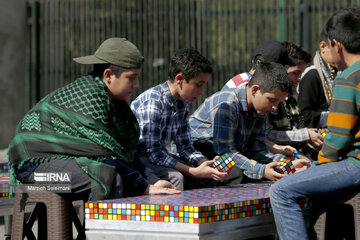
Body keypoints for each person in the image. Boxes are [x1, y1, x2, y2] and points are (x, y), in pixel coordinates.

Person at [8, 37, 179, 201]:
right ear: (108, 75)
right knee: (108, 178)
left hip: (64, 160)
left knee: (118, 174)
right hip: (32, 166)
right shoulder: (89, 98)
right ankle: (100, 232)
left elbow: (123, 151)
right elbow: (107, 153)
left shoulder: (115, 103)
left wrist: (153, 180)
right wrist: (145, 186)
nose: (137, 85)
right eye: (131, 78)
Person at [270, 7, 360, 239]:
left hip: (356, 165)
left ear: (336, 45)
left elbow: (337, 138)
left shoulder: (349, 78)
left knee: (281, 192)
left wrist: (319, 165)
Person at [189, 61, 311, 184]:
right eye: (272, 100)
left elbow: (258, 150)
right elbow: (226, 152)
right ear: (255, 90)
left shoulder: (260, 110)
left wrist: (287, 164)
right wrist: (262, 171)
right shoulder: (227, 104)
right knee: (235, 174)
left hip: (228, 155)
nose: (274, 107)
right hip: (199, 154)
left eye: (278, 102)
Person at [130, 48, 228, 191]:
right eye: (198, 85)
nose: (201, 92)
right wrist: (192, 171)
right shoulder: (154, 101)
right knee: (176, 177)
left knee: (206, 177)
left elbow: (185, 147)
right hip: (140, 159)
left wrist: (205, 164)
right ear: (179, 79)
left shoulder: (181, 104)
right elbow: (151, 151)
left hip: (159, 157)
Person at [265, 42, 322, 159]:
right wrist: (304, 135)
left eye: (300, 74)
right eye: (295, 73)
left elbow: (297, 126)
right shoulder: (267, 100)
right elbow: (268, 136)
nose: (299, 79)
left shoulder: (290, 99)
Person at [298, 28, 338, 129]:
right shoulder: (312, 76)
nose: (341, 54)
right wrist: (338, 118)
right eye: (338, 49)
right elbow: (304, 117)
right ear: (323, 46)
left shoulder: (340, 71)